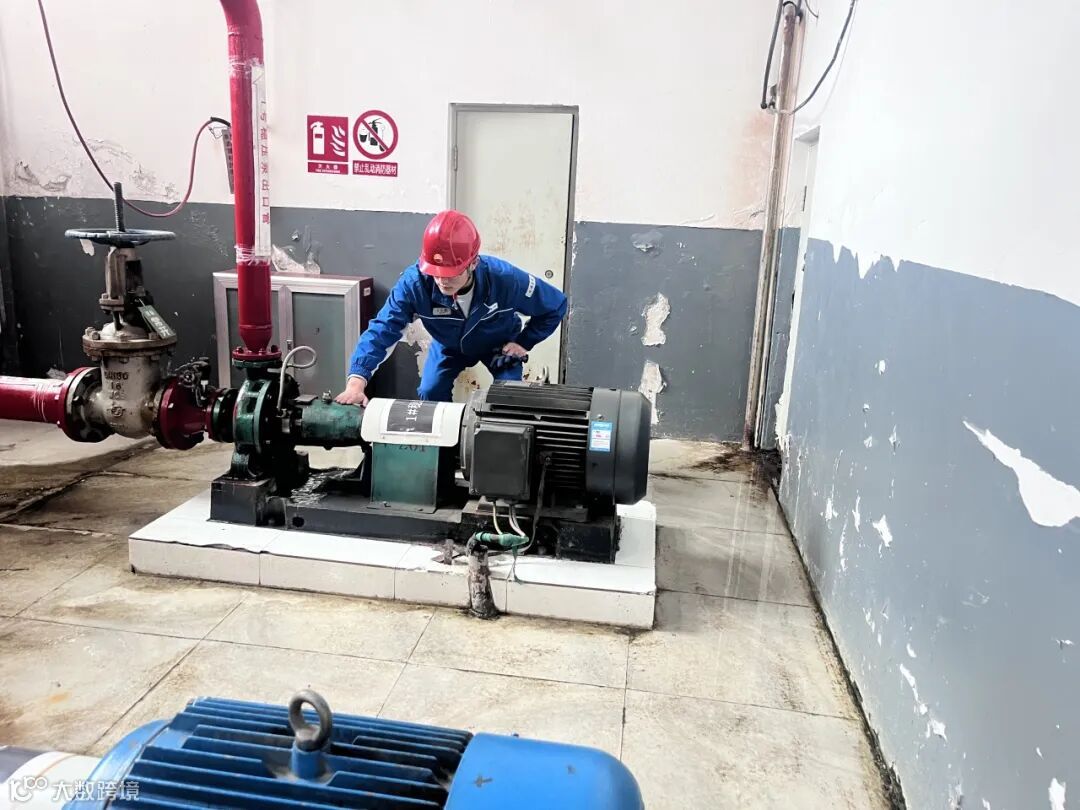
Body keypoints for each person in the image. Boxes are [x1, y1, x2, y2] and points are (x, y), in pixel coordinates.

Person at [336, 209, 568, 405]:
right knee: (430, 391)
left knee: (510, 397)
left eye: (450, 273)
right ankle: (446, 443)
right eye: (435, 272)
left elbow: (555, 305)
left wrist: (524, 342)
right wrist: (357, 382)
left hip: (498, 345)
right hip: (448, 345)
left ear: (473, 263)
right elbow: (383, 329)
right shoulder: (415, 284)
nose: (441, 280)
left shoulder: (505, 279)